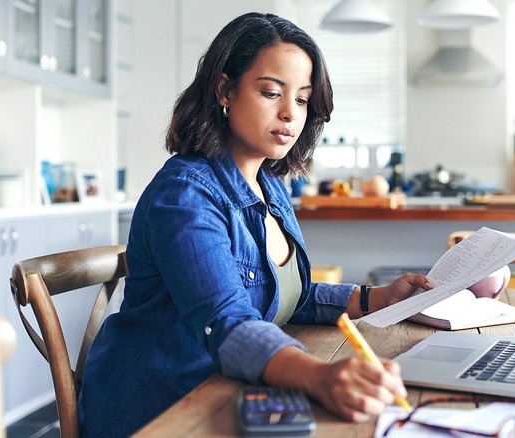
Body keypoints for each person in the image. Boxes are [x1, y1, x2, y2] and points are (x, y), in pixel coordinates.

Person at [77, 12, 432, 436]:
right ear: (226, 90)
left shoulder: (271, 185)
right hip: (163, 409)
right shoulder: (185, 195)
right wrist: (320, 376)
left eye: (301, 100)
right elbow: (228, 319)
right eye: (270, 92)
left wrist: (376, 298)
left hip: (226, 391)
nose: (289, 114)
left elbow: (285, 297)